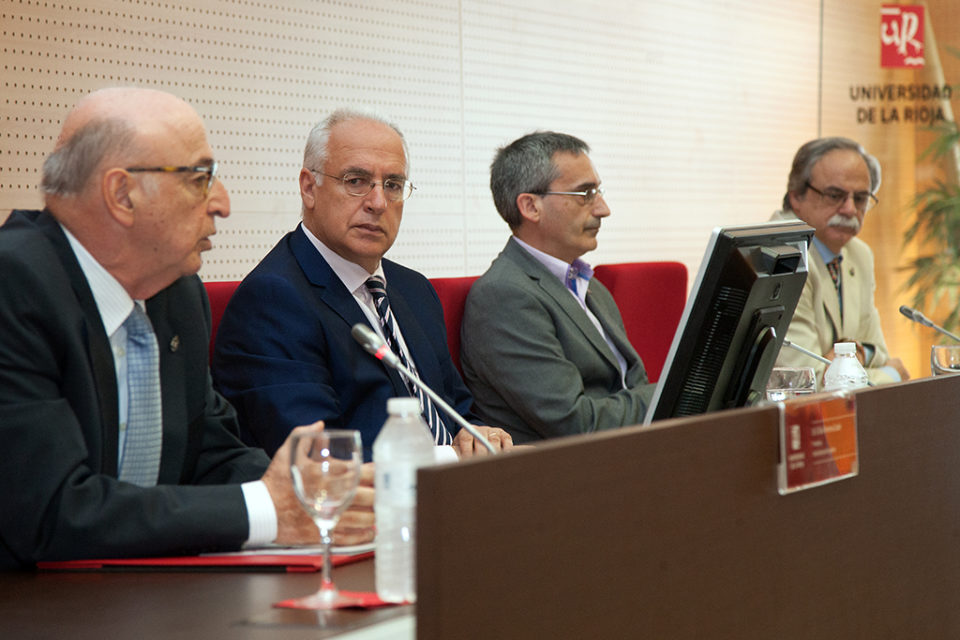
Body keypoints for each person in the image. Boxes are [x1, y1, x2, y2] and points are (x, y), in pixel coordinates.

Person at [0, 88, 373, 570]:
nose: (222, 203)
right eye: (201, 178)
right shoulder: (13, 287)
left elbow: (211, 458)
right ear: (121, 194)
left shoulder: (178, 294)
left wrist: (322, 494)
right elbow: (50, 512)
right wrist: (267, 510)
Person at [212, 110, 512, 461]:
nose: (378, 203)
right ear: (309, 188)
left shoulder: (413, 289)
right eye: (356, 181)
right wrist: (451, 459)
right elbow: (320, 458)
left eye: (393, 185)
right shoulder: (273, 301)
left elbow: (457, 413)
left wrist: (478, 435)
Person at [460, 132, 655, 443]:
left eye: (598, 191)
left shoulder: (591, 287)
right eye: (585, 194)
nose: (603, 208)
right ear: (530, 207)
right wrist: (675, 391)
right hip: (560, 476)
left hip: (629, 454)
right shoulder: (505, 296)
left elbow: (632, 385)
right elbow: (576, 423)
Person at [771, 137, 910, 385]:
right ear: (796, 197)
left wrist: (859, 352)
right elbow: (806, 382)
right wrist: (891, 375)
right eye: (835, 195)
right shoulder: (781, 255)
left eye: (860, 198)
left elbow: (877, 351)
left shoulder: (859, 254)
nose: (849, 209)